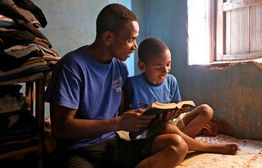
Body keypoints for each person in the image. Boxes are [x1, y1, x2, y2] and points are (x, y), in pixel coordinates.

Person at [44, 4, 189, 168]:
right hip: (77, 150)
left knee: (177, 145)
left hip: (112, 144)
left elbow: (120, 113)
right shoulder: (72, 66)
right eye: (130, 39)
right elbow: (61, 128)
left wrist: (153, 117)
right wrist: (118, 123)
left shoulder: (120, 68)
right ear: (108, 38)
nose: (135, 46)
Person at [123, 37, 238, 155]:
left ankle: (182, 143)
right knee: (167, 128)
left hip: (170, 122)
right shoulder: (132, 84)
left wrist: (176, 112)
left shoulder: (171, 81)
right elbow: (125, 115)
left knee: (206, 110)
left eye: (168, 64)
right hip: (148, 130)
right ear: (142, 66)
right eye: (158, 67)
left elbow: (176, 105)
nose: (165, 70)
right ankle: (206, 147)